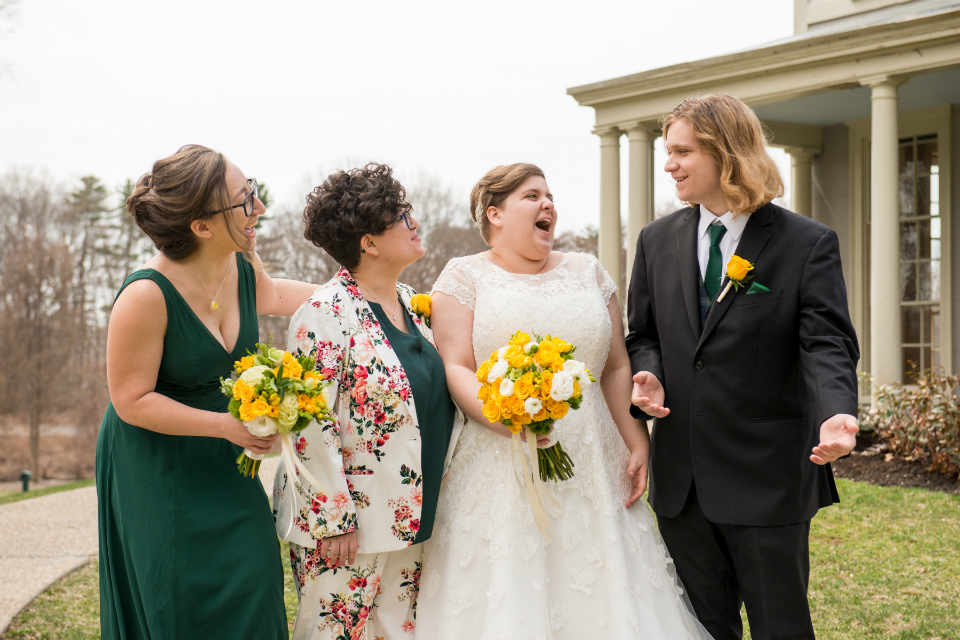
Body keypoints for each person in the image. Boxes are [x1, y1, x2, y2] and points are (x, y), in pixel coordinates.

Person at [416, 163, 712, 639]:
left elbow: (615, 365)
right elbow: (457, 367)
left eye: (549, 196)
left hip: (595, 460)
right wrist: (505, 418)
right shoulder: (464, 276)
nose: (547, 204)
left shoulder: (587, 271)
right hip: (502, 456)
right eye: (532, 196)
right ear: (494, 213)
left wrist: (637, 442)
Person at [626, 94, 860, 640]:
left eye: (682, 151)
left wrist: (836, 412)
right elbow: (644, 333)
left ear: (726, 153)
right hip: (681, 481)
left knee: (781, 627)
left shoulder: (807, 243)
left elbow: (826, 343)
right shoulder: (656, 241)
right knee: (703, 628)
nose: (669, 165)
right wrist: (650, 371)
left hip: (766, 474)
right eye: (668, 152)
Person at [97, 144, 320, 638]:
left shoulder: (240, 267)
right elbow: (129, 400)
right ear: (201, 226)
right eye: (245, 200)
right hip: (159, 466)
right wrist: (225, 426)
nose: (258, 209)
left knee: (256, 582)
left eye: (254, 192)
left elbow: (280, 296)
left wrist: (364, 300)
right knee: (179, 603)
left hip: (225, 462)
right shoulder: (145, 295)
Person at [272, 163, 457, 640]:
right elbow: (308, 423)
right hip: (346, 530)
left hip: (419, 515)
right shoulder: (322, 314)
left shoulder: (414, 303)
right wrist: (333, 521)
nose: (414, 223)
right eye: (401, 216)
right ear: (369, 243)